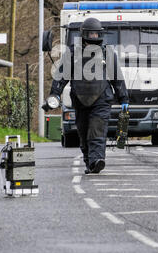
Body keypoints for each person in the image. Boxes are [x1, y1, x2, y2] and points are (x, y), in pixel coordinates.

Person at [43, 17, 129, 174]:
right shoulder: (72, 54)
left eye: (97, 35)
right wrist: (54, 95)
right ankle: (89, 162)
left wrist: (124, 98)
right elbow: (60, 77)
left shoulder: (107, 53)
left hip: (102, 98)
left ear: (100, 35)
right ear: (84, 35)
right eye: (91, 35)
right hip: (80, 99)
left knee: (97, 130)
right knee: (83, 132)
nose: (94, 38)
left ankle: (97, 160)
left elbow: (117, 77)